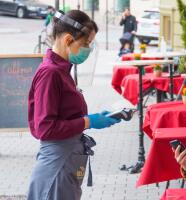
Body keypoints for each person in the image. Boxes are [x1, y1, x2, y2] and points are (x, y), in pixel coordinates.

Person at [27, 10, 120, 200]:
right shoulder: (50, 73)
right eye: (86, 43)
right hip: (57, 166)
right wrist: (87, 122)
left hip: (66, 161)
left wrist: (89, 119)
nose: (88, 48)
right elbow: (45, 128)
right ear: (68, 40)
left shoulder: (62, 71)